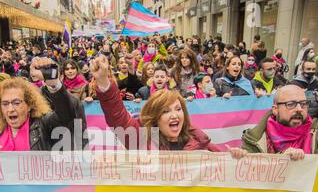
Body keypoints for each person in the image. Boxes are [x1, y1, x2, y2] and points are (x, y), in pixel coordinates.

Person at [90, 55, 220, 151]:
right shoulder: (141, 141)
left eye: (178, 109)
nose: (174, 115)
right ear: (155, 118)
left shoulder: (201, 143)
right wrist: (103, 81)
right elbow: (116, 116)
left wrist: (237, 158)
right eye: (166, 111)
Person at [0, 76, 78, 157]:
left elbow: (66, 116)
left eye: (16, 103)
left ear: (29, 105)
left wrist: (54, 84)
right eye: (5, 104)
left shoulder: (44, 125)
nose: (10, 109)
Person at [241, 85, 318, 159]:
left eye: (303, 104)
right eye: (290, 104)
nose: (299, 109)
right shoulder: (254, 140)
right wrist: (281, 159)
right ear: (275, 109)